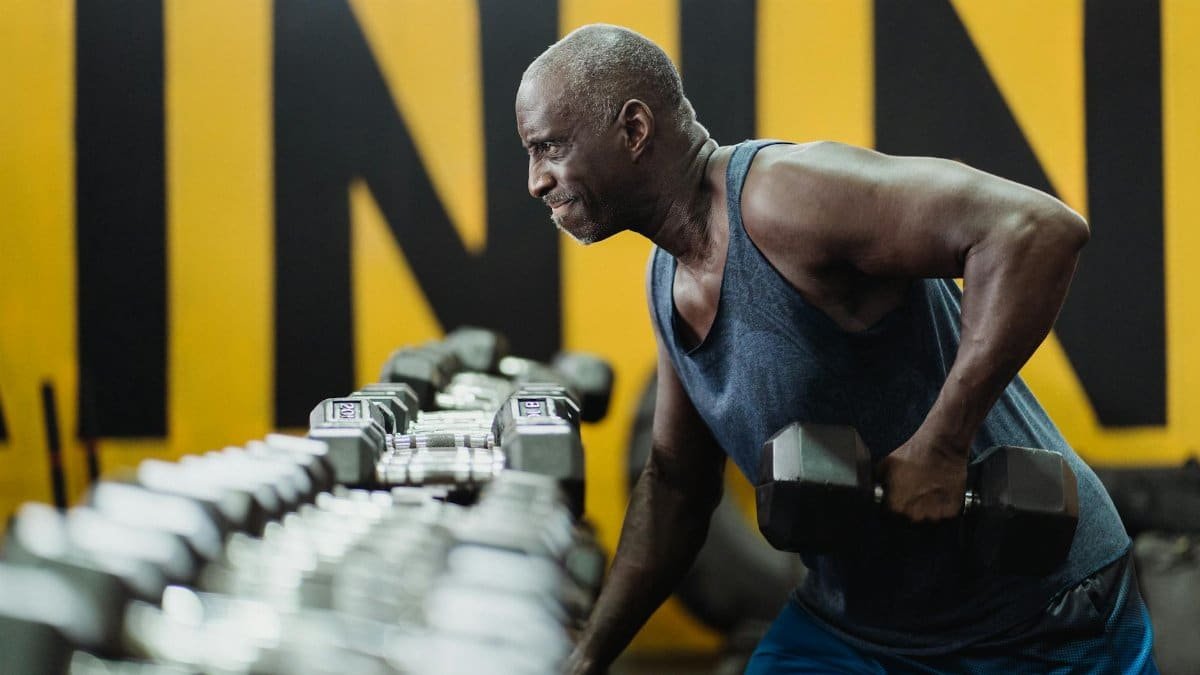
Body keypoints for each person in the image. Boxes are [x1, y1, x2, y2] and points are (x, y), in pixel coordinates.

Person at [516, 24, 1156, 674]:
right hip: (860, 625)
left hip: (1038, 618)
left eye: (548, 148)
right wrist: (586, 658)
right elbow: (677, 486)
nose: (536, 181)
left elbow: (1036, 229)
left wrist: (943, 444)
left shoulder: (786, 198)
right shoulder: (668, 278)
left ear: (633, 130)